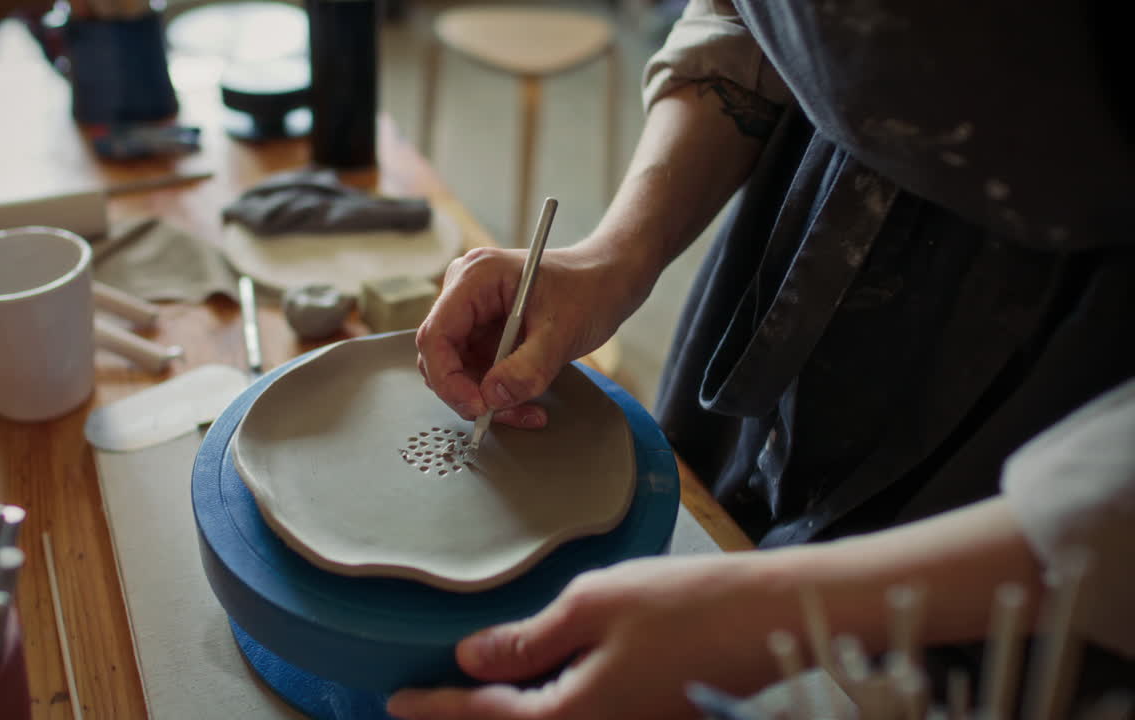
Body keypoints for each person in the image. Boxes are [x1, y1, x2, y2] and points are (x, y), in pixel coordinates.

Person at [390, 1, 1134, 718]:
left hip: (1072, 402)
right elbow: (748, 19)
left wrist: (777, 613)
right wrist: (611, 259)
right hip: (813, 236)